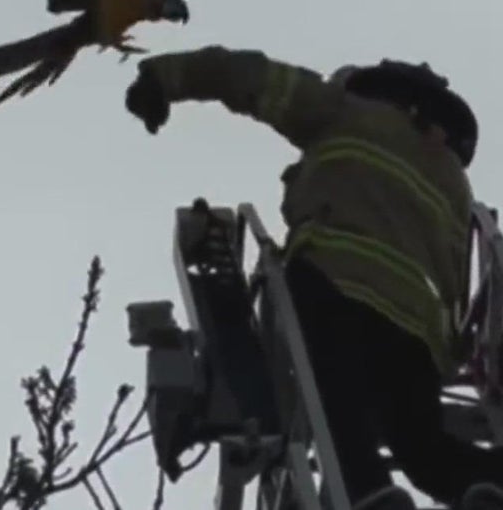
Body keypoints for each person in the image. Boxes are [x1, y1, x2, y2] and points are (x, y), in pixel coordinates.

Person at [122, 46, 503, 510]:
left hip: (335, 281)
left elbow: (252, 77)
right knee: (420, 442)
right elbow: (456, 289)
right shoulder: (453, 182)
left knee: (333, 404)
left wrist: (165, 78)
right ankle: (484, 483)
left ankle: (371, 494)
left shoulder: (347, 112)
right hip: (418, 328)